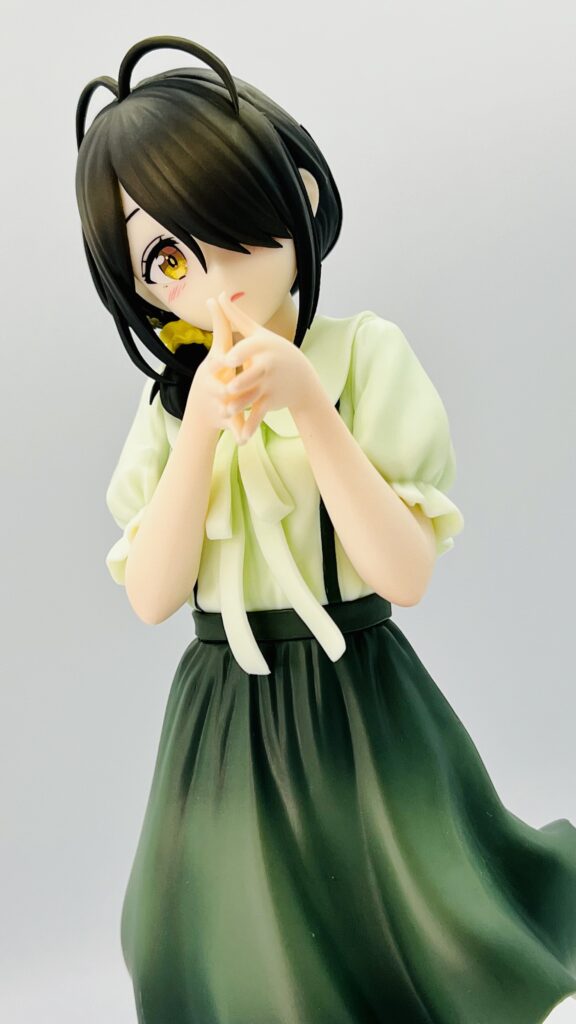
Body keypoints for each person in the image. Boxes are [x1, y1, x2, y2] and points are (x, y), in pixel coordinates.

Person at [75, 33, 576, 1024]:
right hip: (226, 712)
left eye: (230, 227)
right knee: (214, 930)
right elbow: (152, 595)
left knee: (421, 909)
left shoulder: (363, 357)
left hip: (362, 692)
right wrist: (198, 433)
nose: (209, 280)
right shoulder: (170, 409)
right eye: (166, 258)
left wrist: (310, 404)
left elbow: (405, 572)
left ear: (298, 196)